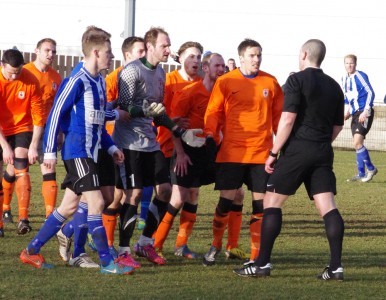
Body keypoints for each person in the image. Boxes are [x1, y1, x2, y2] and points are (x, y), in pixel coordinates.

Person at [19, 26, 134, 275]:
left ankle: (31, 250)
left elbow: (98, 120)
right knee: (97, 201)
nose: (111, 56)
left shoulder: (100, 82)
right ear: (95, 52)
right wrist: (48, 152)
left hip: (91, 153)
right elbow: (55, 114)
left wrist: (111, 146)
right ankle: (106, 262)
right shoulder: (76, 80)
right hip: (76, 152)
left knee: (68, 207)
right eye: (108, 51)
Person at [233, 39, 345, 281]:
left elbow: (286, 120)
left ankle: (262, 264)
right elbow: (338, 125)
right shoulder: (335, 86)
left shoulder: (296, 80)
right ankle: (336, 268)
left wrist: (273, 153)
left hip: (297, 150)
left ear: (304, 54)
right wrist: (321, 143)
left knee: (271, 202)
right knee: (328, 206)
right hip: (323, 151)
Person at [112, 27, 204, 265]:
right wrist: (144, 110)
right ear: (150, 46)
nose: (168, 50)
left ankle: (144, 243)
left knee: (164, 190)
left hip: (150, 143)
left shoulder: (161, 73)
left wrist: (179, 131)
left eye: (169, 45)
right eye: (164, 46)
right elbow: (123, 107)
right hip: (129, 142)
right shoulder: (131, 72)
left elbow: (158, 112)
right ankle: (123, 252)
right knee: (131, 196)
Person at [202, 39, 284, 266]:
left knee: (261, 205)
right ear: (241, 58)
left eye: (259, 55)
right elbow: (214, 111)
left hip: (261, 154)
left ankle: (256, 255)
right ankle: (216, 244)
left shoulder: (271, 82)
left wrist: (283, 144)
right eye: (252, 55)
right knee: (225, 203)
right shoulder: (227, 81)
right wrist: (210, 134)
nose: (257, 59)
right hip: (232, 153)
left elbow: (278, 118)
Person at [153, 53, 226, 259]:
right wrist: (181, 154)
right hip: (188, 150)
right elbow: (174, 126)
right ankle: (155, 244)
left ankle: (181, 245)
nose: (221, 69)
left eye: (223, 66)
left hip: (210, 150)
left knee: (195, 195)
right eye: (217, 65)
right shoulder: (190, 92)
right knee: (178, 198)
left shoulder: (223, 93)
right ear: (206, 67)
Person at [0, 49, 44, 236]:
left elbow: (38, 116)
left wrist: (34, 144)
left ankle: (23, 219)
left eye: (18, 71)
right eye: (11, 72)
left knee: (21, 163)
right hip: (1, 130)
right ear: (2, 65)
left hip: (21, 128)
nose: (15, 76)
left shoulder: (30, 79)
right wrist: (4, 146)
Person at [21, 38, 62, 220]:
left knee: (49, 168)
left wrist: (59, 130)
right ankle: (14, 213)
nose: (50, 54)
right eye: (47, 50)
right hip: (24, 127)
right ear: (36, 51)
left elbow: (59, 106)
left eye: (53, 51)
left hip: (47, 129)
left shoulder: (56, 77)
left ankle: (50, 216)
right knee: (19, 170)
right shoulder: (25, 72)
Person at [341, 54, 377, 182]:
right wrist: (347, 112)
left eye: (351, 63)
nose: (349, 65)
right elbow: (348, 99)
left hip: (364, 112)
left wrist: (366, 110)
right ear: (344, 64)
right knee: (357, 144)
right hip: (355, 114)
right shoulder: (344, 79)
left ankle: (371, 169)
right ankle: (361, 174)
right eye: (347, 63)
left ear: (355, 64)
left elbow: (370, 92)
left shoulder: (360, 76)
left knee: (357, 142)